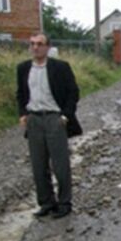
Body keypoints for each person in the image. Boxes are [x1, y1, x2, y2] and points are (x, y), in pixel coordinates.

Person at [16, 33, 82, 219]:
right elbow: (20, 93)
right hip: (34, 120)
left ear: (47, 47)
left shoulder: (59, 67)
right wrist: (22, 114)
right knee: (38, 165)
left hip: (55, 118)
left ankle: (64, 203)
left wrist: (66, 116)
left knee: (60, 164)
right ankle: (46, 202)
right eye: (32, 44)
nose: (35, 47)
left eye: (39, 44)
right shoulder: (23, 68)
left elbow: (73, 92)